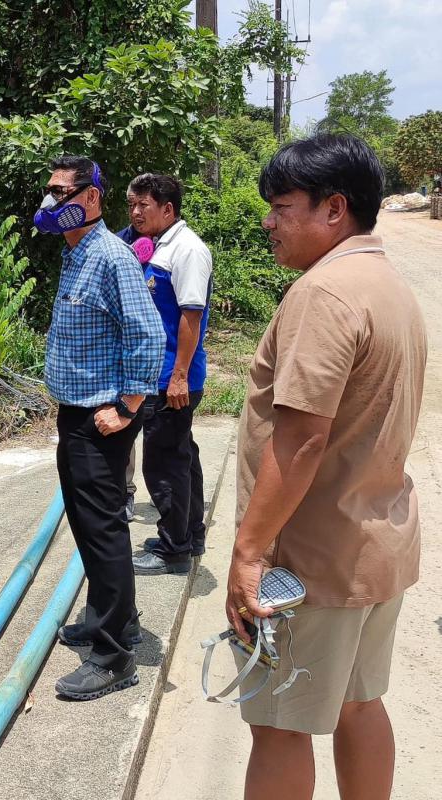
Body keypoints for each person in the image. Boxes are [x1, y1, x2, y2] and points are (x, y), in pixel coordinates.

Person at [227, 133, 424, 800]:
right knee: (359, 704)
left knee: (278, 726)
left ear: (333, 208)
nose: (267, 222)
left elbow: (302, 441)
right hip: (373, 545)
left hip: (310, 562)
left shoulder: (324, 294)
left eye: (281, 207)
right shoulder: (386, 284)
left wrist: (249, 554)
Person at [38, 155, 166, 700]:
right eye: (48, 191)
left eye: (61, 192)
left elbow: (148, 335)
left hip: (101, 419)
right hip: (76, 412)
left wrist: (128, 407)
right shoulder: (75, 253)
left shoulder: (111, 257)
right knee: (87, 523)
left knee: (104, 529)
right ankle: (109, 617)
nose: (50, 202)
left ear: (90, 198)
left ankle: (115, 656)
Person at [122, 173, 213, 575]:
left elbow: (191, 317)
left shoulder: (187, 250)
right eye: (131, 205)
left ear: (168, 209)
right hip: (161, 374)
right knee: (182, 456)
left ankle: (172, 550)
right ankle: (189, 535)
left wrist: (178, 377)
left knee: (163, 464)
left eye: (143, 205)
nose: (135, 212)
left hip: (172, 379)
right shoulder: (157, 245)